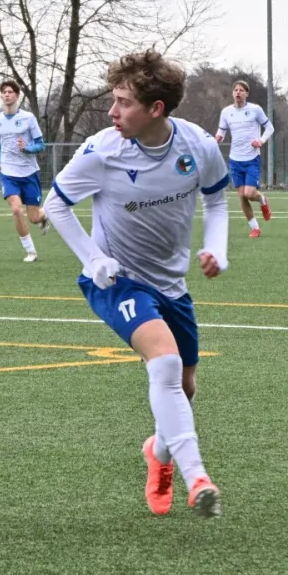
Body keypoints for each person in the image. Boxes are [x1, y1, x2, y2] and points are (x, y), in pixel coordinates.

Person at [44, 50, 230, 518]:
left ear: (156, 109)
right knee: (164, 364)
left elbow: (217, 201)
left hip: (172, 285)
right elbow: (55, 205)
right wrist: (93, 259)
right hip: (117, 281)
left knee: (185, 387)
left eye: (124, 102)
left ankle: (158, 452)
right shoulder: (102, 150)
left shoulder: (198, 145)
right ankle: (198, 478)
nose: (112, 111)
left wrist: (217, 249)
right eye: (114, 99)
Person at [0, 80, 49, 262]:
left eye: (10, 92)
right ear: (1, 95)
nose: (6, 94)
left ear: (17, 95)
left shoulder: (28, 118)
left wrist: (27, 148)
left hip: (29, 173)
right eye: (4, 92)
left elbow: (41, 145)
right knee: (16, 210)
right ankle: (31, 252)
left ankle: (44, 216)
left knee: (34, 218)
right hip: (8, 174)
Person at [215, 80, 273, 237]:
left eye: (241, 90)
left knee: (249, 193)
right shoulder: (226, 112)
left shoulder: (255, 110)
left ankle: (262, 199)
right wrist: (217, 138)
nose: (238, 92)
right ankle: (255, 228)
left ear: (246, 93)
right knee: (241, 195)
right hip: (235, 160)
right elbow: (221, 132)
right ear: (233, 93)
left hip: (251, 158)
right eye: (236, 90)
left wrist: (261, 141)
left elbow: (270, 128)